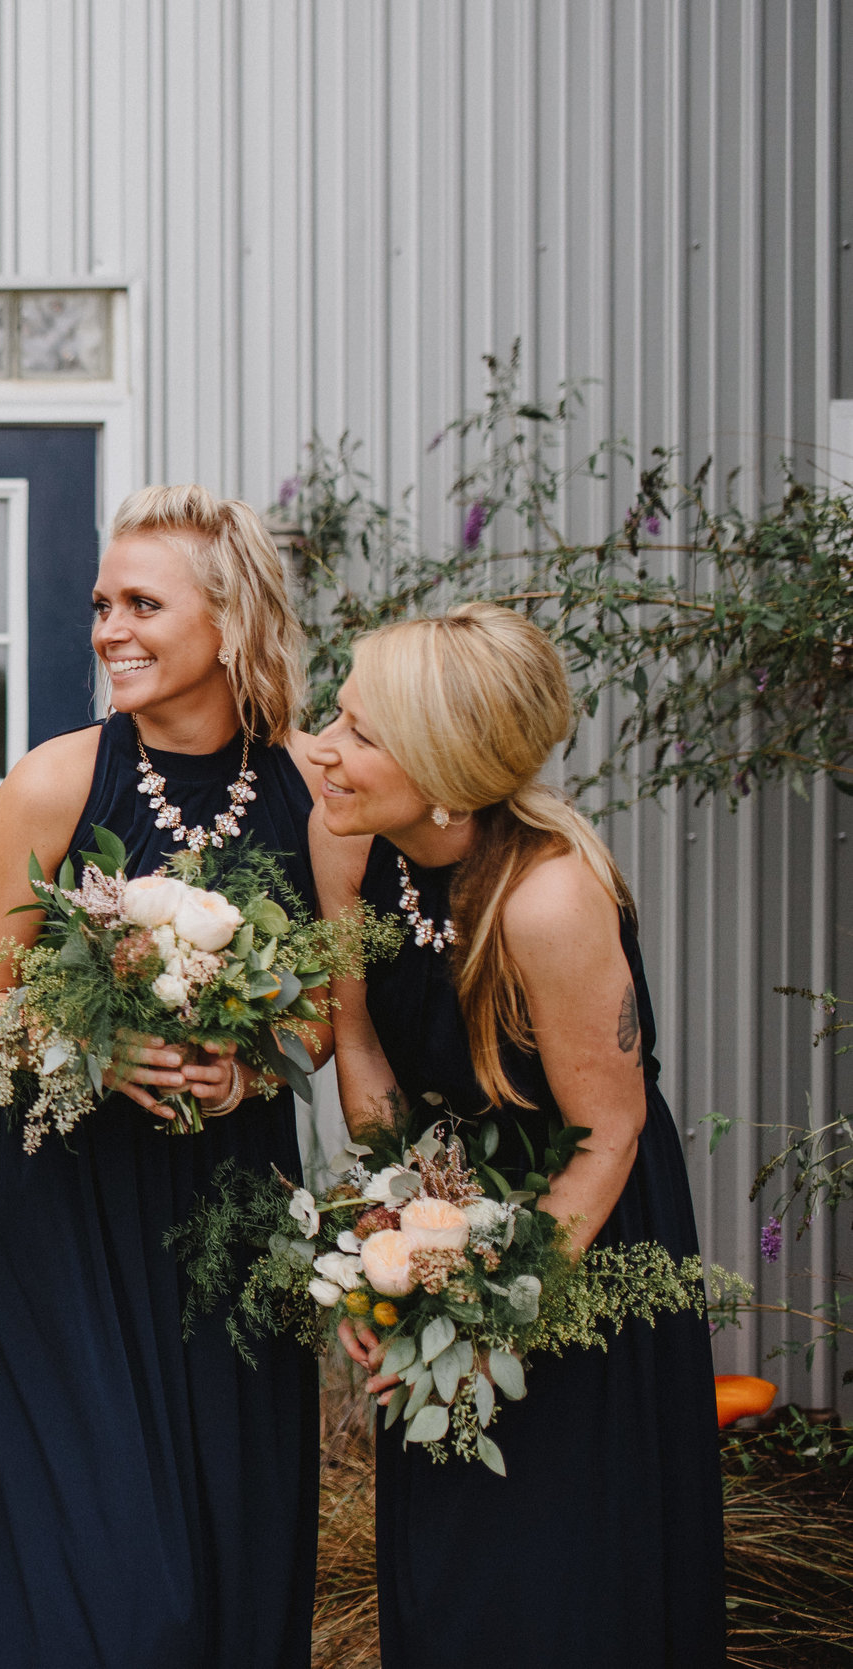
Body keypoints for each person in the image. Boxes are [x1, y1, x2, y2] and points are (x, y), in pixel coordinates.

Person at [0, 483, 324, 1667]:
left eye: (142, 604)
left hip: (229, 1219)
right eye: (102, 603)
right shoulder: (56, 783)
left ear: (231, 620)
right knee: (105, 1571)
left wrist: (253, 1072)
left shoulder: (317, 794)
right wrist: (90, 1049)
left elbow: (325, 1015)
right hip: (66, 1221)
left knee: (232, 1534)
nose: (109, 626)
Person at [311, 603, 723, 1665]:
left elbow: (607, 1133)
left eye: (357, 732)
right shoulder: (348, 844)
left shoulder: (546, 900)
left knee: (553, 1572)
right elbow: (361, 1054)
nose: (323, 747)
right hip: (444, 1212)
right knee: (447, 1571)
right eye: (335, 716)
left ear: (445, 771)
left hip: (576, 1236)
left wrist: (487, 1317)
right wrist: (386, 1257)